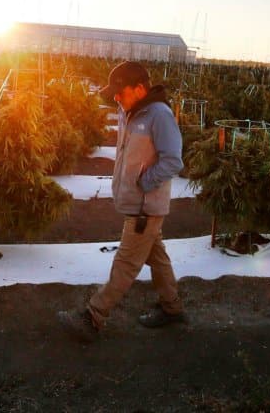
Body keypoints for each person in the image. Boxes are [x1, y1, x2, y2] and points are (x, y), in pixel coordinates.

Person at [58, 61, 186, 341]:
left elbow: (174, 160)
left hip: (145, 208)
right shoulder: (129, 110)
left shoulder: (159, 116)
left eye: (121, 92)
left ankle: (93, 316)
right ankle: (173, 308)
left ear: (140, 89)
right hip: (135, 202)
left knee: (126, 262)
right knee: (157, 255)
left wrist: (144, 182)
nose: (116, 97)